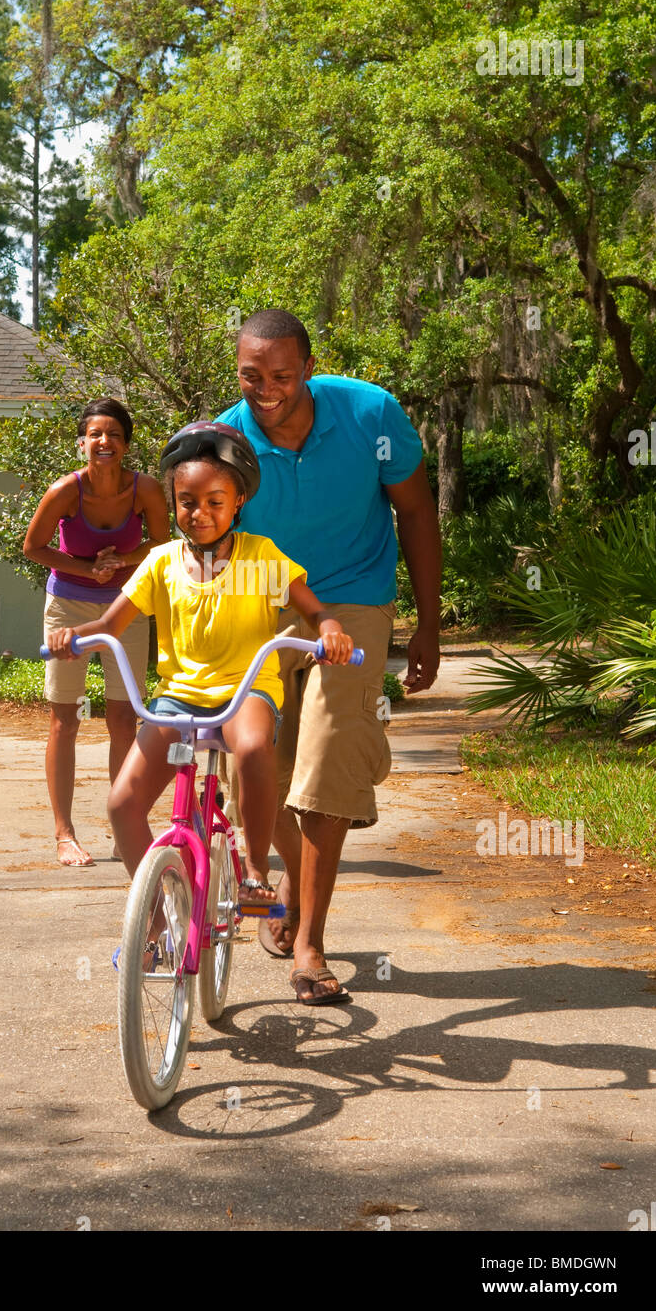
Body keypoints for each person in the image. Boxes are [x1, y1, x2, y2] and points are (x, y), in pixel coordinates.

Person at [47, 423, 360, 997]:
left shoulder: (263, 557)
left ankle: (257, 873)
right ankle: (162, 913)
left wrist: (333, 629)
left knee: (252, 747)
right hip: (177, 697)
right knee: (122, 804)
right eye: (187, 502)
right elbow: (111, 623)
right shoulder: (161, 562)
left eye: (215, 501)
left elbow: (315, 612)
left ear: (238, 500)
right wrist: (77, 635)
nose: (200, 513)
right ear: (173, 502)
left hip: (247, 690)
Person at [218, 309, 441, 1004]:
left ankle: (309, 943)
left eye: (282, 375)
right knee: (250, 762)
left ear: (307, 368)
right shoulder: (227, 440)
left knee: (329, 749)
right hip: (259, 598)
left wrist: (426, 623)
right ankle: (290, 874)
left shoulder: (370, 413)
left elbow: (415, 511)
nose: (267, 390)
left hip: (353, 600)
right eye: (252, 376)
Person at [24, 397, 169, 866]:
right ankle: (64, 834)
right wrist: (89, 566)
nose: (104, 441)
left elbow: (163, 542)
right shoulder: (67, 490)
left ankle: (122, 827)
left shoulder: (145, 489)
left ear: (125, 444)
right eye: (96, 434)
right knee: (65, 720)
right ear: (83, 441)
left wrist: (121, 562)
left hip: (127, 605)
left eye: (114, 434)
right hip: (67, 603)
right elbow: (34, 547)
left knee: (124, 719)